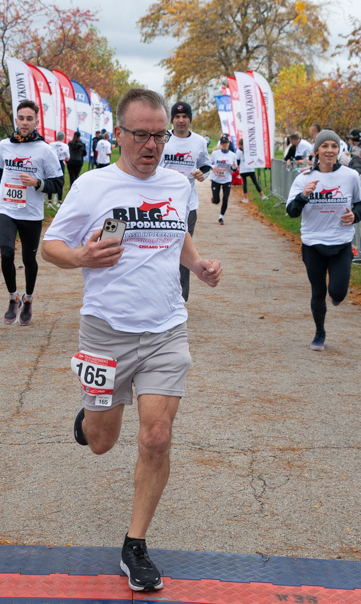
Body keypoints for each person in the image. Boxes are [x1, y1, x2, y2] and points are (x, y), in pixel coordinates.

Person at [42, 88, 222, 593]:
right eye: (141, 135)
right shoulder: (93, 185)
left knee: (156, 436)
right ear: (118, 134)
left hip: (166, 328)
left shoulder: (178, 184)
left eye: (159, 135)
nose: (151, 145)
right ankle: (89, 417)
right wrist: (80, 258)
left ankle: (135, 544)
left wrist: (198, 265)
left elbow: (176, 233)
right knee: (102, 443)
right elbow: (49, 246)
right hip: (105, 331)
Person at [286, 129, 361, 351]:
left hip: (341, 242)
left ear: (339, 150)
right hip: (313, 243)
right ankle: (319, 332)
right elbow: (292, 212)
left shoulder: (350, 176)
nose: (329, 150)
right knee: (318, 291)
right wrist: (304, 196)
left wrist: (355, 215)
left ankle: (336, 295)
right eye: (325, 146)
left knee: (338, 293)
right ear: (317, 150)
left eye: (334, 146)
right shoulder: (304, 178)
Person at [0, 100, 64, 325]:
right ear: (16, 120)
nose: (25, 122)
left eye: (29, 119)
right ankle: (13, 297)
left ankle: (28, 299)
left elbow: (58, 183)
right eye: (21, 118)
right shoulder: (4, 145)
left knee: (29, 259)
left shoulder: (44, 150)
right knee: (6, 254)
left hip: (31, 213)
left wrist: (37, 183)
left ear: (36, 121)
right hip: (6, 208)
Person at [159, 101, 210, 301]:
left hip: (188, 205)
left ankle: (180, 298)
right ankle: (160, 294)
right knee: (160, 248)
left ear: (190, 119)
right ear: (172, 119)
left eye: (184, 117)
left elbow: (206, 165)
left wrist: (201, 173)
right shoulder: (163, 138)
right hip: (162, 203)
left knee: (183, 249)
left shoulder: (199, 142)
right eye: (177, 117)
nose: (181, 120)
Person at [209, 135, 237, 224]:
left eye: (226, 143)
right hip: (216, 179)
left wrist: (234, 167)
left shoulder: (233, 155)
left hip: (227, 179)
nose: (224, 145)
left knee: (225, 198)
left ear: (229, 143)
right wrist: (213, 167)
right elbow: (209, 164)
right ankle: (214, 198)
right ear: (221, 144)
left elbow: (234, 169)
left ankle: (221, 217)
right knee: (216, 201)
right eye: (223, 143)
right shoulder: (215, 153)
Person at [236, 136, 266, 202]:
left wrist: (238, 169)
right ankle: (262, 195)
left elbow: (238, 161)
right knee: (255, 182)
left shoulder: (238, 151)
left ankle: (246, 198)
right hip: (250, 168)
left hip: (243, 169)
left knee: (244, 183)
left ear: (239, 144)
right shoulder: (249, 150)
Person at [50, 131, 71, 206]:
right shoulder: (65, 146)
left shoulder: (51, 144)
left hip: (52, 162)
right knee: (60, 181)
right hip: (60, 163)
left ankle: (49, 200)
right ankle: (59, 201)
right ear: (63, 138)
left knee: (51, 179)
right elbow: (68, 158)